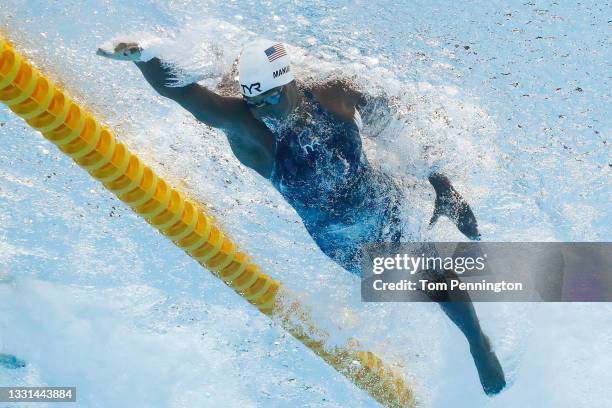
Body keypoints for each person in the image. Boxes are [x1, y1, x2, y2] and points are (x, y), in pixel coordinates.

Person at [97, 38, 505, 395]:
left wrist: (441, 184)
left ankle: (478, 344)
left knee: (432, 273)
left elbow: (391, 127)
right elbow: (187, 97)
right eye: (255, 101)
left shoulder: (333, 95)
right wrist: (144, 56)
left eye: (272, 98)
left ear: (290, 81)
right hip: (342, 243)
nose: (265, 110)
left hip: (385, 200)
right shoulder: (251, 130)